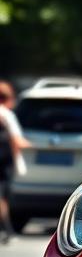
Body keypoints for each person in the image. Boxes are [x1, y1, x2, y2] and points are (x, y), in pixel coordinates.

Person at [0, 80, 28, 243]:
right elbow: (19, 141)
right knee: (2, 197)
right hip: (4, 162)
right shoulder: (6, 115)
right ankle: (8, 230)